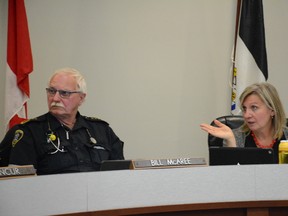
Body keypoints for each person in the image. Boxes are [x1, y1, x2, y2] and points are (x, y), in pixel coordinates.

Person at [0, 67, 124, 175]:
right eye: (52, 91)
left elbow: (120, 176)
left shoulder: (102, 131)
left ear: (81, 98)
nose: (55, 98)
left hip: (99, 199)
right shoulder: (29, 132)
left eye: (64, 93)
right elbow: (20, 184)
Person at [200, 82, 288, 163]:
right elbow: (229, 177)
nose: (246, 115)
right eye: (244, 109)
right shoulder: (235, 137)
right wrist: (231, 143)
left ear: (272, 110)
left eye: (254, 107)